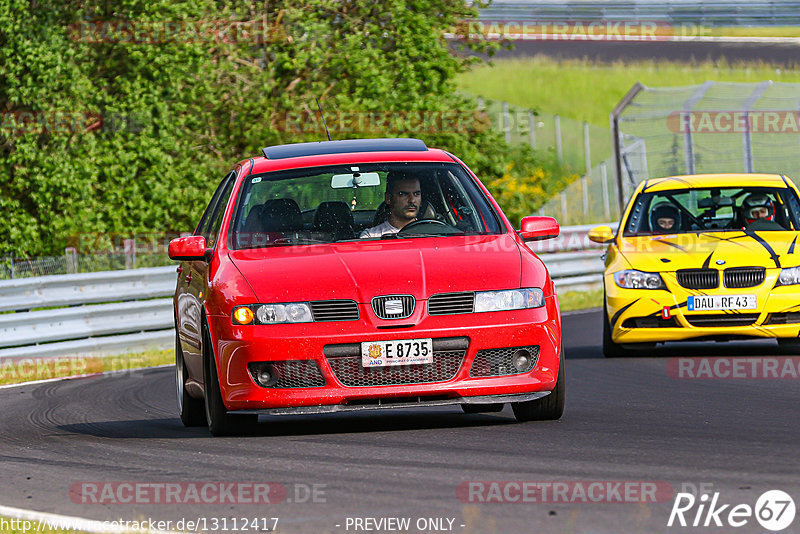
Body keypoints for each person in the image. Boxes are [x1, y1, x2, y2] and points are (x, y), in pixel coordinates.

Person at [359, 171, 421, 238]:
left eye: (416, 194)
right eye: (403, 194)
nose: (412, 200)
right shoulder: (371, 236)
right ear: (388, 198)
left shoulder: (431, 233)